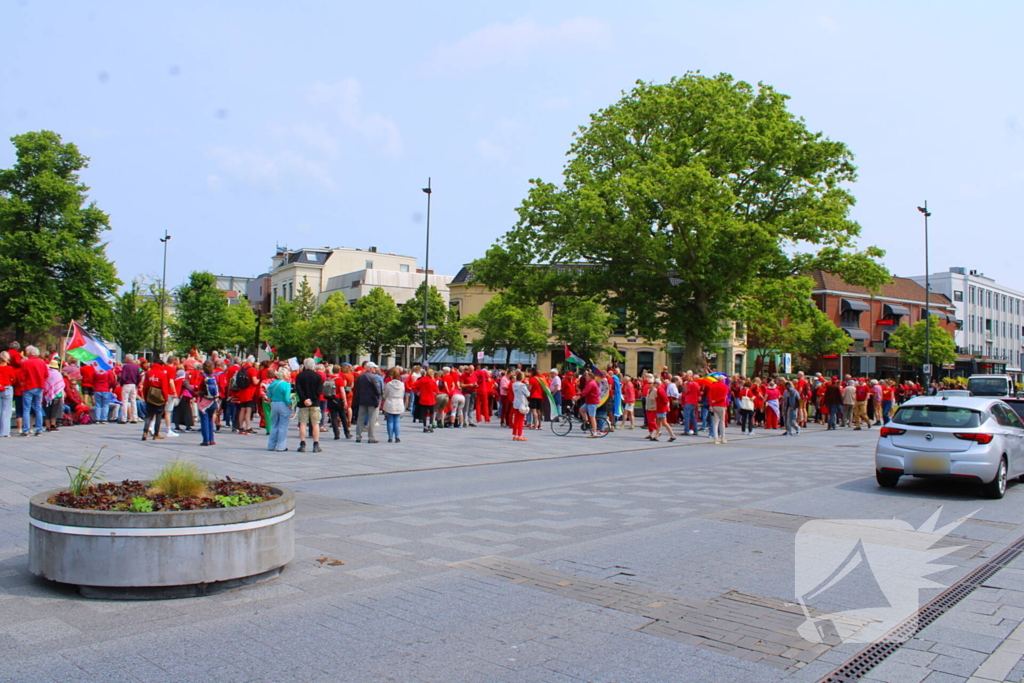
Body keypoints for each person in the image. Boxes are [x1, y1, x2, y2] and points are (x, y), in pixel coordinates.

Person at [294, 358, 324, 453]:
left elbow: (298, 389)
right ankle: (316, 444)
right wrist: (312, 399)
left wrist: (305, 399)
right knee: (315, 424)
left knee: (303, 423)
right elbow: (319, 390)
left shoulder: (300, 376)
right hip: (314, 403)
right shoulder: (317, 376)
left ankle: (302, 443)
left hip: (303, 403)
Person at [19, 346, 48, 436]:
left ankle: (26, 430)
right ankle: (39, 429)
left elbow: (22, 375)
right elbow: (46, 375)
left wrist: (22, 383)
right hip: (39, 386)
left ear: (30, 353)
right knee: (38, 408)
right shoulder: (42, 362)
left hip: (28, 387)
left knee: (26, 409)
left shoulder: (26, 362)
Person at [353, 361, 382, 443]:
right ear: (370, 368)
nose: (375, 369)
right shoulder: (374, 377)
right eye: (374, 367)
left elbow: (357, 389)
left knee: (360, 418)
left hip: (362, 400)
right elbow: (377, 390)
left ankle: (358, 436)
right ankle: (371, 437)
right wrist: (379, 397)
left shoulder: (361, 377)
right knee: (372, 419)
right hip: (372, 400)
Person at [266, 366, 293, 452]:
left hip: (274, 403)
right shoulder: (286, 384)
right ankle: (281, 446)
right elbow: (286, 397)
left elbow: (269, 395)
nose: (289, 375)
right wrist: (290, 405)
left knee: (274, 425)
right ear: (284, 375)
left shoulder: (273, 383)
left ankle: (271, 445)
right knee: (283, 426)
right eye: (288, 374)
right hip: (283, 404)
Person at [141, 359, 170, 440]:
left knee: (149, 416)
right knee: (158, 416)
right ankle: (156, 434)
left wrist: (145, 396)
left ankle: (145, 432)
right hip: (159, 396)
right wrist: (166, 399)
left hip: (150, 395)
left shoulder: (149, 372)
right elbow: (164, 388)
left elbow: (145, 386)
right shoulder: (162, 374)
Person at [196, 360, 219, 447]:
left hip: (204, 401)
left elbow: (197, 387)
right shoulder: (214, 376)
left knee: (204, 420)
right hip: (213, 400)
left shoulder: (202, 377)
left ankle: (206, 440)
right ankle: (212, 439)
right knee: (210, 419)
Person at [382, 367, 405, 443]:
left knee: (390, 420)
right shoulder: (402, 384)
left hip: (390, 401)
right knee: (397, 421)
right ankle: (397, 437)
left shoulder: (389, 384)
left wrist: (383, 397)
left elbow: (385, 394)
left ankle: (390, 437)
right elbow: (403, 393)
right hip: (399, 401)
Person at [413, 368, 439, 433]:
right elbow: (437, 390)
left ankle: (424, 426)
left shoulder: (422, 380)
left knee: (424, 414)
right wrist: (436, 393)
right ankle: (430, 426)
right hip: (431, 399)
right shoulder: (433, 381)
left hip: (423, 399)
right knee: (431, 413)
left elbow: (413, 385)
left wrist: (418, 392)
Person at [580, 371, 603, 438]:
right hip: (589, 401)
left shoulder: (591, 383)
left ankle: (594, 433)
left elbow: (585, 392)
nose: (585, 377)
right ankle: (587, 422)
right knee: (581, 409)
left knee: (592, 418)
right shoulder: (590, 382)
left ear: (590, 377)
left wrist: (578, 396)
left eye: (587, 376)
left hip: (593, 402)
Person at [708, 378, 730, 444]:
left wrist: (711, 404)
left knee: (715, 422)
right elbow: (724, 396)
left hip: (714, 405)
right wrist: (717, 400)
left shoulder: (712, 386)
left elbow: (710, 396)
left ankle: (715, 438)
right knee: (722, 421)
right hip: (721, 405)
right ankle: (723, 437)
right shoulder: (725, 386)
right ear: (723, 380)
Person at [511, 371, 530, 441]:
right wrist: (527, 386)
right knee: (521, 420)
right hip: (522, 403)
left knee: (516, 419)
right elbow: (528, 394)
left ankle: (515, 434)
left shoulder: (514, 384)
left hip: (516, 402)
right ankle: (520, 435)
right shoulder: (522, 385)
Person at [0, 351, 14, 437]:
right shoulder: (9, 368)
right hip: (7, 388)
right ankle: (5, 431)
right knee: (6, 411)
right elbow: (13, 378)